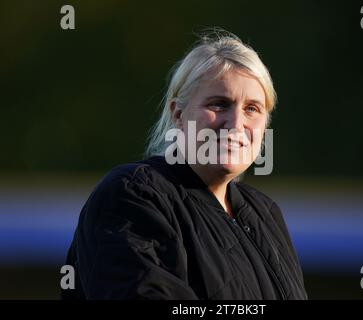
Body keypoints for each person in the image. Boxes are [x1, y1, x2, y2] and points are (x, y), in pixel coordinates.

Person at [62, 30, 307, 300]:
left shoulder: (265, 214)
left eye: (252, 108)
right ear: (178, 114)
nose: (236, 124)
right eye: (219, 104)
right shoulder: (132, 196)